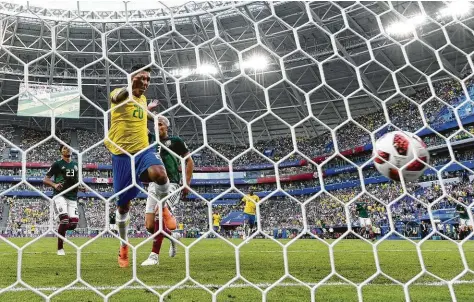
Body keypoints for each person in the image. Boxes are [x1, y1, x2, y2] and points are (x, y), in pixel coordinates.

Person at [105, 64, 170, 268]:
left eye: (148, 79)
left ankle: (164, 207)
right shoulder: (119, 93)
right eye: (141, 78)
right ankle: (124, 245)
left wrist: (153, 114)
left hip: (143, 150)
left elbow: (141, 111)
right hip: (122, 155)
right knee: (123, 206)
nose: (145, 82)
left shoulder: (142, 100)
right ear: (131, 77)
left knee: (160, 174)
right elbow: (117, 98)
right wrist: (129, 85)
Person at [141, 115, 194, 266]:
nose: (158, 127)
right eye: (155, 124)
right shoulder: (150, 139)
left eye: (161, 124)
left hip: (172, 184)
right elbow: (140, 125)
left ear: (166, 127)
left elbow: (189, 161)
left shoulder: (175, 141)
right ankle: (172, 236)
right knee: (150, 226)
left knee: (160, 212)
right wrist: (147, 110)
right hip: (153, 185)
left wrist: (186, 183)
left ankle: (154, 256)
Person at [43, 145, 81, 256]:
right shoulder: (57, 164)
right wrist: (54, 185)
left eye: (68, 147)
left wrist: (81, 187)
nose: (67, 149)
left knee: (73, 224)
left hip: (72, 197)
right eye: (64, 148)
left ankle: (60, 229)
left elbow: (76, 182)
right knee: (64, 220)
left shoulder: (75, 165)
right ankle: (60, 248)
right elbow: (45, 179)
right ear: (61, 152)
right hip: (60, 195)